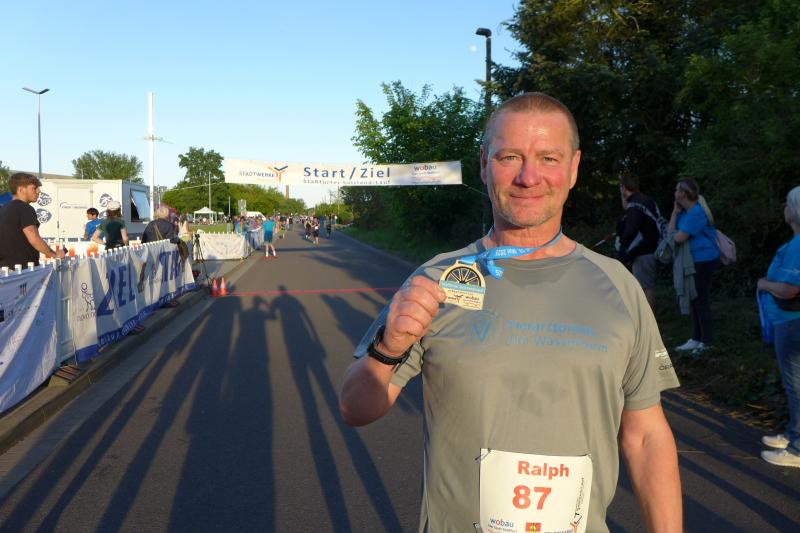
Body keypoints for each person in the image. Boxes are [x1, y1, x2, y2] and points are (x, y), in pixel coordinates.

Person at [339, 93, 682, 533]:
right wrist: (389, 347)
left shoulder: (619, 286)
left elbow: (647, 436)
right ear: (485, 165)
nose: (528, 177)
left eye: (548, 158)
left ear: (574, 168)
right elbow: (355, 408)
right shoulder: (438, 278)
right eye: (510, 157)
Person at [758, 185, 800, 468]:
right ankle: (793, 433)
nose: (783, 208)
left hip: (792, 322)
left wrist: (764, 284)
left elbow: (789, 289)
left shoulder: (797, 246)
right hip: (788, 322)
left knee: (795, 383)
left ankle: (797, 449)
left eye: (787, 203)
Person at [668, 178, 720, 354]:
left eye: (677, 189)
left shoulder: (697, 212)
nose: (675, 192)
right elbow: (670, 233)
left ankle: (707, 341)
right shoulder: (683, 212)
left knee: (700, 299)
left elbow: (678, 238)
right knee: (694, 299)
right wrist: (674, 213)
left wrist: (674, 236)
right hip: (692, 261)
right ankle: (696, 338)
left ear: (683, 194)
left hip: (704, 260)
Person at [0, 172, 65, 268]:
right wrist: (55, 254)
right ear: (21, 190)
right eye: (34, 188)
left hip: (5, 269)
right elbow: (33, 237)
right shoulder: (24, 208)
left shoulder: (4, 208)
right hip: (23, 269)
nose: (39, 191)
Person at [616, 172, 660, 310]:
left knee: (645, 288)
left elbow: (630, 231)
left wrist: (623, 248)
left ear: (624, 187)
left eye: (621, 187)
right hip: (651, 248)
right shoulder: (646, 200)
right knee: (647, 286)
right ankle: (647, 317)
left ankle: (649, 319)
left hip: (642, 251)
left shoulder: (635, 205)